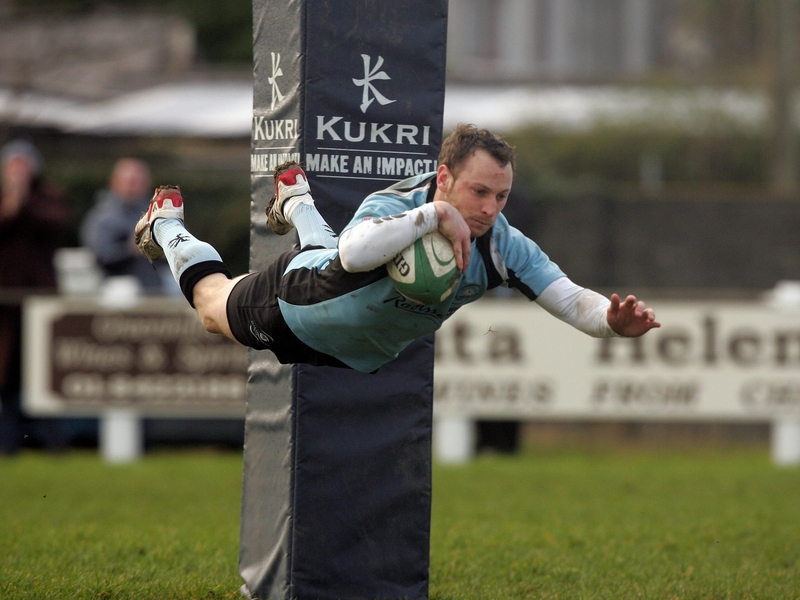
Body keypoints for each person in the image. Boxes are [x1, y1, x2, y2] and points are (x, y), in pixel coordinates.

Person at [133, 124, 660, 374]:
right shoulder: (400, 203)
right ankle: (167, 225)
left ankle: (295, 200)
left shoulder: (502, 246)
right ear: (445, 177)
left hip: (357, 355)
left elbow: (571, 299)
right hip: (297, 310)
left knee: (320, 250)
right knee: (209, 306)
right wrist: (433, 215)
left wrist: (611, 322)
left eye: (501, 196)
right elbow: (355, 255)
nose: (490, 208)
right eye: (478, 193)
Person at [0, 138, 70, 454]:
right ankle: (10, 440)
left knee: (44, 371)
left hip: (40, 298)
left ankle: (53, 442)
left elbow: (55, 224)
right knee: (7, 373)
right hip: (5, 303)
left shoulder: (48, 197)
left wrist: (24, 199)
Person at [81, 158, 172, 294]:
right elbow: (101, 257)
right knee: (125, 290)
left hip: (156, 279)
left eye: (140, 182)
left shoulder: (159, 213)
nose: (135, 187)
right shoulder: (103, 217)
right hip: (116, 281)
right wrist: (131, 249)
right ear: (114, 182)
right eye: (131, 182)